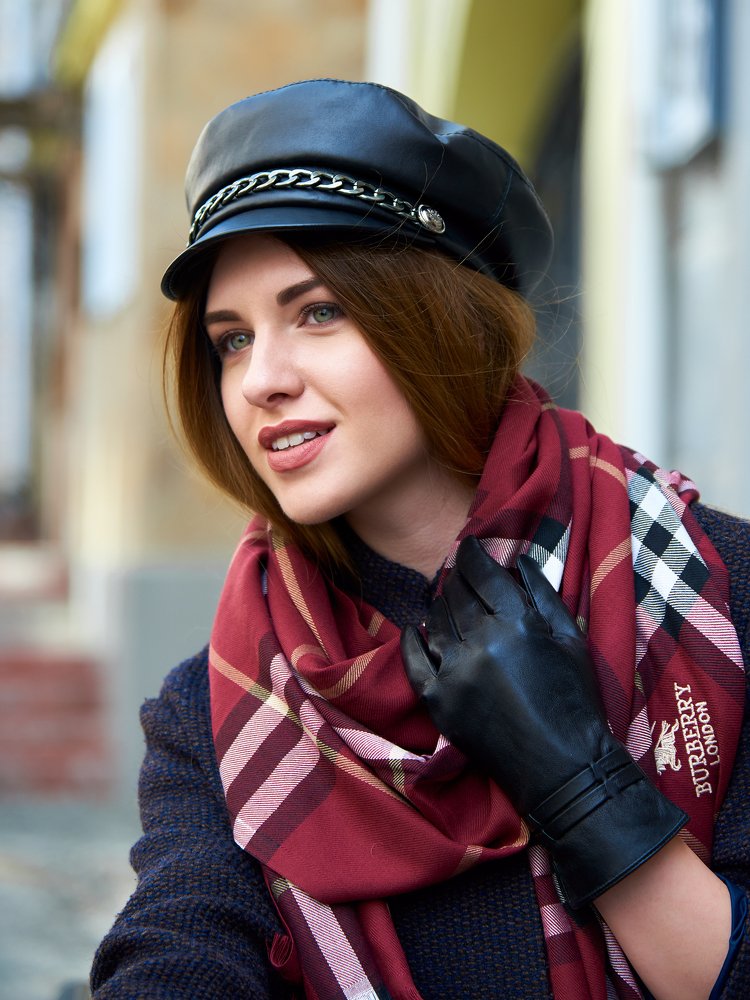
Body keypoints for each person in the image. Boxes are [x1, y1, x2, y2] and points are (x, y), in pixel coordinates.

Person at [90, 78, 750, 999]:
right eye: (231, 339)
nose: (261, 380)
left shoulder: (720, 589)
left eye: (318, 311)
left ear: (444, 320)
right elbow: (180, 943)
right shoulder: (222, 703)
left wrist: (583, 790)